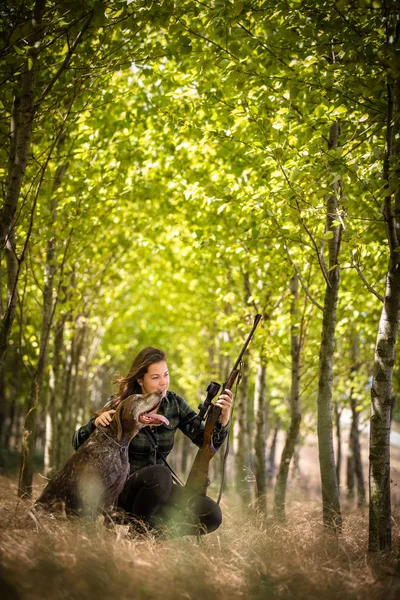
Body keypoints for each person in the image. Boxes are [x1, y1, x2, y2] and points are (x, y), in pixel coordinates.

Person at [73, 346, 233, 535]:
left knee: (211, 514)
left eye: (166, 375)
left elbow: (205, 442)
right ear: (140, 380)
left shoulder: (174, 404)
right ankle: (138, 535)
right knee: (160, 473)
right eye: (155, 378)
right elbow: (78, 444)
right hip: (122, 493)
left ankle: (156, 532)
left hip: (159, 491)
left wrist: (223, 419)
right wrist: (95, 424)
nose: (163, 383)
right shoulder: (122, 405)